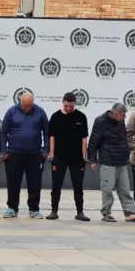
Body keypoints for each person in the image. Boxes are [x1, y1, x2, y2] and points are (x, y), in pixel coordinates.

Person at [88, 103, 135, 223]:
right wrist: (92, 160)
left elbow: (124, 138)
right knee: (107, 188)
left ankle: (129, 212)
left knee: (124, 188)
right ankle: (106, 213)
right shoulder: (100, 121)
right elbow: (94, 141)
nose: (124, 117)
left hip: (121, 160)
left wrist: (129, 149)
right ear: (114, 113)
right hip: (107, 160)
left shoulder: (120, 122)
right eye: (122, 115)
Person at [1, 93, 49, 218]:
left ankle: (34, 209)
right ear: (20, 102)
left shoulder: (40, 112)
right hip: (14, 154)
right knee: (13, 182)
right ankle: (12, 208)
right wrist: (3, 151)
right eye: (25, 106)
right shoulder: (11, 112)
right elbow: (3, 132)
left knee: (35, 183)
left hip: (35, 155)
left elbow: (47, 133)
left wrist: (45, 151)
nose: (27, 108)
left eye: (30, 105)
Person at [47, 93, 90, 222]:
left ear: (74, 104)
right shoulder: (56, 117)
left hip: (76, 158)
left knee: (78, 185)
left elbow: (84, 138)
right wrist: (52, 154)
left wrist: (84, 156)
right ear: (62, 103)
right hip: (59, 157)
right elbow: (52, 136)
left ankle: (80, 212)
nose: (69, 108)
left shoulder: (81, 117)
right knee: (56, 185)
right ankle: (54, 211)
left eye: (71, 106)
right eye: (66, 106)